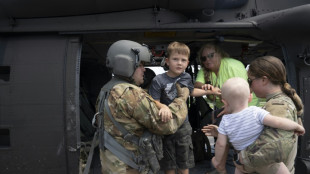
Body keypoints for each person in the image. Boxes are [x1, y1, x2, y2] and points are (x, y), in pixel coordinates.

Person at [94, 40, 190, 174]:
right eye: (140, 65)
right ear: (127, 65)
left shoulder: (106, 90)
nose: (144, 69)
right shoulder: (130, 93)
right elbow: (168, 125)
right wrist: (182, 98)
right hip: (130, 166)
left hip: (113, 164)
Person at [203, 56, 304, 174]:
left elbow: (274, 148)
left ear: (264, 80)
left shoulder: (278, 107)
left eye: (250, 80)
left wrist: (241, 160)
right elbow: (257, 137)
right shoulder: (271, 106)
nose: (249, 86)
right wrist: (228, 132)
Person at [148, 41, 221, 174]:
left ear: (187, 63)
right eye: (175, 59)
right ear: (167, 61)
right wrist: (163, 106)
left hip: (183, 125)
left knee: (184, 160)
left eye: (183, 60)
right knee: (168, 162)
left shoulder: (186, 77)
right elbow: (153, 101)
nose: (179, 63)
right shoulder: (158, 80)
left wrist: (209, 91)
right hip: (166, 126)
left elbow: (191, 92)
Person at [194, 43, 260, 118]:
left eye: (210, 56)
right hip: (226, 109)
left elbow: (244, 90)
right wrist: (206, 87)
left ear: (219, 54)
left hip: (246, 107)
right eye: (204, 58)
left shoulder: (233, 65)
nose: (207, 60)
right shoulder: (204, 70)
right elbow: (197, 84)